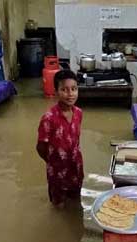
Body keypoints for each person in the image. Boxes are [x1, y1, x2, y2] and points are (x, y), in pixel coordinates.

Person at [37, 70, 84, 207]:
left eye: (74, 89)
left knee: (76, 200)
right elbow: (40, 147)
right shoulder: (49, 118)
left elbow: (76, 138)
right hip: (57, 171)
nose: (70, 94)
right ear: (56, 91)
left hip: (76, 166)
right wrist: (53, 160)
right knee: (59, 205)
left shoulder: (79, 113)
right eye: (64, 89)